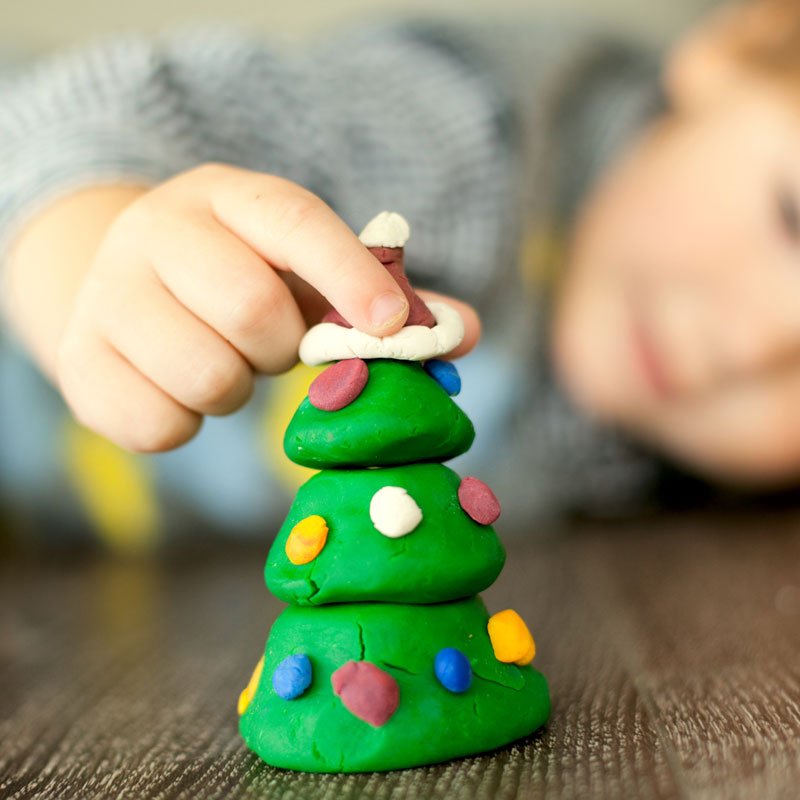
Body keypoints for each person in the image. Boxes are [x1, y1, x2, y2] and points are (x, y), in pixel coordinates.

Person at [1, 0, 797, 549]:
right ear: (741, 49)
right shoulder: (456, 142)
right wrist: (84, 249)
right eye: (790, 216)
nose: (759, 340)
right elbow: (72, 112)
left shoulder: (666, 472)